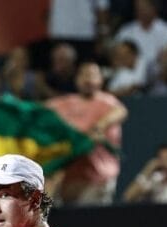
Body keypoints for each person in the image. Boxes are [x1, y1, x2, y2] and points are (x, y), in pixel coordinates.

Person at [46, 61, 129, 206]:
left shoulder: (108, 102)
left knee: (90, 222)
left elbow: (121, 112)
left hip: (98, 177)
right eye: (84, 75)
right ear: (77, 79)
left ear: (100, 80)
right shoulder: (65, 103)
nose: (88, 79)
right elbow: (40, 111)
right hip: (69, 177)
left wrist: (99, 126)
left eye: (92, 75)